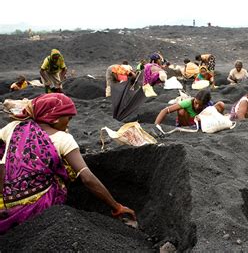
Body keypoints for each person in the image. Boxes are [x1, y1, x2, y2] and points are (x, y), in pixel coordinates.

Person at [0, 93, 135, 233]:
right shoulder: (63, 139)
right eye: (68, 118)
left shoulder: (14, 127)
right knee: (65, 168)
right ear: (54, 118)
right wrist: (116, 207)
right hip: (38, 209)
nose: (69, 123)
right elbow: (87, 178)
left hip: (6, 205)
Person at [155, 89, 225, 127]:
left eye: (200, 105)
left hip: (201, 123)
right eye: (196, 103)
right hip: (187, 123)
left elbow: (214, 111)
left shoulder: (208, 105)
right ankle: (186, 127)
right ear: (194, 99)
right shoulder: (188, 102)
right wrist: (156, 126)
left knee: (221, 104)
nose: (197, 106)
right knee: (181, 111)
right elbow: (165, 110)